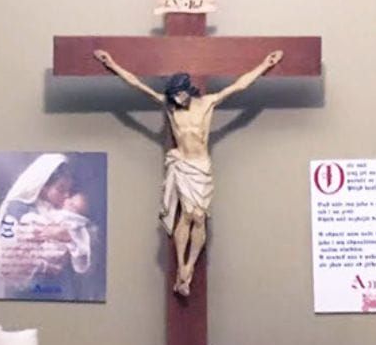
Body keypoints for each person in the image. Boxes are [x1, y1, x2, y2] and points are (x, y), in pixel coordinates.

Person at [93, 48, 283, 295]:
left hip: (201, 167)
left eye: (178, 94)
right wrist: (112, 64)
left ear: (187, 90)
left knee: (199, 217)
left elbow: (240, 85)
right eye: (172, 96)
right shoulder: (171, 107)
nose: (176, 99)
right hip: (183, 165)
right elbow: (138, 85)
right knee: (185, 216)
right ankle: (182, 267)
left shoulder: (207, 103)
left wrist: (265, 65)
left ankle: (189, 266)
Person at [0, 153, 95, 300]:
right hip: (25, 287)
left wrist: (68, 236)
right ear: (44, 186)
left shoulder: (64, 212)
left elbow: (81, 243)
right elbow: (8, 250)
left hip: (58, 287)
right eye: (61, 189)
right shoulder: (17, 207)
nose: (66, 195)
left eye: (68, 190)